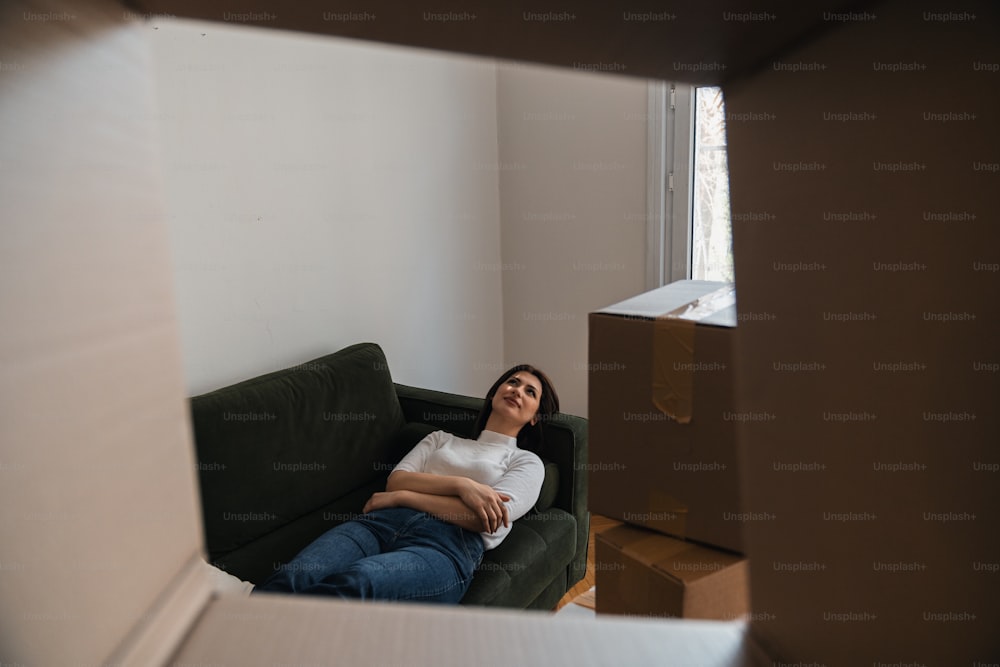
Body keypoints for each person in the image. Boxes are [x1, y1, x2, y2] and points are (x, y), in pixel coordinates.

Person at [246, 364, 559, 604]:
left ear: (534, 417)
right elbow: (397, 478)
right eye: (513, 382)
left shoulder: (526, 463)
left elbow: (483, 519)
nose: (517, 390)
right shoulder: (440, 438)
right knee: (291, 579)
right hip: (376, 525)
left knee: (355, 582)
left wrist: (402, 498)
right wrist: (463, 486)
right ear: (494, 393)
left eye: (530, 392)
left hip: (443, 547)